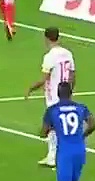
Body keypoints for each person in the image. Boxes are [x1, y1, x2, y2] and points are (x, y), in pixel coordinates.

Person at [40, 82, 95, 181]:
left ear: (58, 94)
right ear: (71, 93)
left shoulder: (52, 110)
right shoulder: (81, 107)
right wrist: (82, 136)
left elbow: (43, 132)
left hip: (64, 152)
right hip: (79, 150)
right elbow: (93, 124)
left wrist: (51, 128)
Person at [26, 27, 76, 167]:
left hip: (53, 95)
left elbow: (44, 79)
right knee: (60, 125)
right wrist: (70, 91)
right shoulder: (68, 53)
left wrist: (31, 88)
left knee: (52, 126)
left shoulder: (49, 56)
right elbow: (73, 75)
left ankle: (53, 157)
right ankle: (56, 155)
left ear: (46, 38)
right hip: (65, 94)